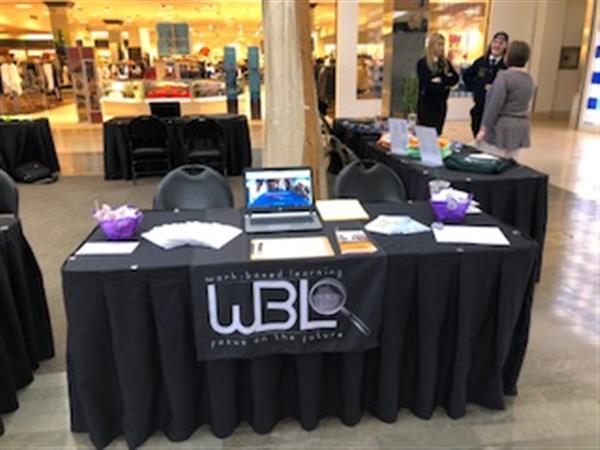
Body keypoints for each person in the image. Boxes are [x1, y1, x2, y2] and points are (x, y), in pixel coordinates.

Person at [476, 40, 534, 161]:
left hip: (501, 129)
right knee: (511, 164)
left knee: (492, 162)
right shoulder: (529, 79)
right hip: (520, 127)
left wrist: (484, 129)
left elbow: (494, 106)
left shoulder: (504, 77)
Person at [463, 32, 509, 137]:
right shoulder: (481, 62)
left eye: (501, 43)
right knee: (477, 131)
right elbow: (467, 76)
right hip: (480, 105)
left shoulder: (506, 66)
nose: (497, 45)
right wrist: (477, 88)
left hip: (496, 109)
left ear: (505, 46)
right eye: (495, 42)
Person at [416, 32, 459, 135]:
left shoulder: (445, 63)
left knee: (437, 133)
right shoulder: (423, 63)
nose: (441, 47)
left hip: (441, 105)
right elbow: (427, 84)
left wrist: (442, 80)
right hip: (427, 105)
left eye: (442, 44)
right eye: (439, 44)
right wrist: (444, 84)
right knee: (425, 133)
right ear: (432, 45)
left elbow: (455, 78)